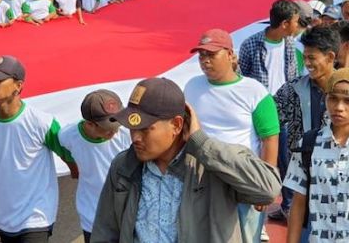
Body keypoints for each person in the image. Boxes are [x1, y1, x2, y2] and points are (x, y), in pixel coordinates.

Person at [92, 77, 281, 242]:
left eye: (145, 129)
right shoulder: (123, 166)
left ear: (176, 124)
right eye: (132, 128)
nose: (135, 138)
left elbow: (268, 190)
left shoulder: (211, 164)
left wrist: (203, 144)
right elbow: (105, 231)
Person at [185, 29, 280, 242]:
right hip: (203, 179)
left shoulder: (255, 91)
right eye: (201, 55)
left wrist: (265, 184)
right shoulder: (192, 87)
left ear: (230, 54)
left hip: (242, 178)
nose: (205, 61)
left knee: (246, 236)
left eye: (211, 54)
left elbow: (270, 139)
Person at [0, 56, 76, 243]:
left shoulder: (42, 122)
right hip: (5, 215)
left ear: (18, 86)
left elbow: (68, 156)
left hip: (36, 215)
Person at [285, 68, 349, 242]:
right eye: (332, 98)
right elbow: (298, 204)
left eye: (348, 101)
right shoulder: (308, 144)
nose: (339, 107)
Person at [272, 26, 339, 220]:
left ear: (330, 57)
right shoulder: (291, 89)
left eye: (312, 58)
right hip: (302, 181)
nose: (307, 63)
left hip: (340, 179)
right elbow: (269, 122)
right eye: (305, 57)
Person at [57, 90, 131, 243]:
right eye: (108, 127)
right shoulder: (68, 136)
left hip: (126, 216)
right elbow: (65, 152)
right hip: (92, 218)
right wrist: (73, 169)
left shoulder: (127, 133)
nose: (115, 130)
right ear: (89, 123)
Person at [239, 0, 300, 95]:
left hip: (285, 103)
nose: (297, 25)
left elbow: (294, 75)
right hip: (261, 102)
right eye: (296, 21)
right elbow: (242, 78)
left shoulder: (290, 43)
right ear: (285, 24)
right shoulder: (250, 45)